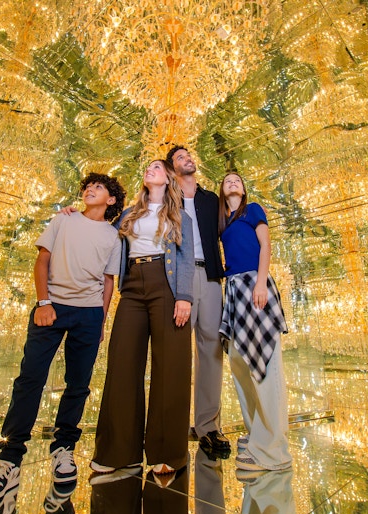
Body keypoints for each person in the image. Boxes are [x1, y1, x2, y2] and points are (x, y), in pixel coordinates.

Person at [0, 173, 125, 514]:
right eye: (88, 186)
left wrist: (100, 321)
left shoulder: (114, 237)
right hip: (51, 308)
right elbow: (42, 260)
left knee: (78, 384)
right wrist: (43, 303)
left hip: (88, 314)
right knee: (30, 379)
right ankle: (9, 456)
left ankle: (64, 447)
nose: (90, 189)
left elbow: (107, 282)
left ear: (111, 200)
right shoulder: (63, 219)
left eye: (99, 188)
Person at [90, 159, 194, 480]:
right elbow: (102, 233)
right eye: (148, 168)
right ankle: (118, 453)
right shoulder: (128, 214)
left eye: (157, 168)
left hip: (167, 284)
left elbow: (186, 256)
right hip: (133, 287)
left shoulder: (181, 216)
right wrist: (71, 212)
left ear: (167, 179)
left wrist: (185, 297)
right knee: (122, 363)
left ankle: (167, 454)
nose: (150, 170)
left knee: (170, 368)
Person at [217, 172, 291, 471]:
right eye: (227, 180)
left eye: (237, 180)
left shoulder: (253, 209)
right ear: (222, 190)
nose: (233, 182)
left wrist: (261, 283)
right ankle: (256, 434)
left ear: (244, 189)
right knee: (239, 361)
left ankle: (274, 451)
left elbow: (265, 246)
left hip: (254, 286)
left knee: (265, 364)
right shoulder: (223, 221)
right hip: (233, 289)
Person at [167, 145, 230, 456]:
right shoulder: (165, 198)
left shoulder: (210, 200)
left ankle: (207, 427)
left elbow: (230, 227)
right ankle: (172, 428)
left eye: (188, 154)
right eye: (180, 157)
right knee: (177, 352)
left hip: (210, 279)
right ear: (172, 169)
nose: (187, 158)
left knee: (211, 352)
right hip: (180, 276)